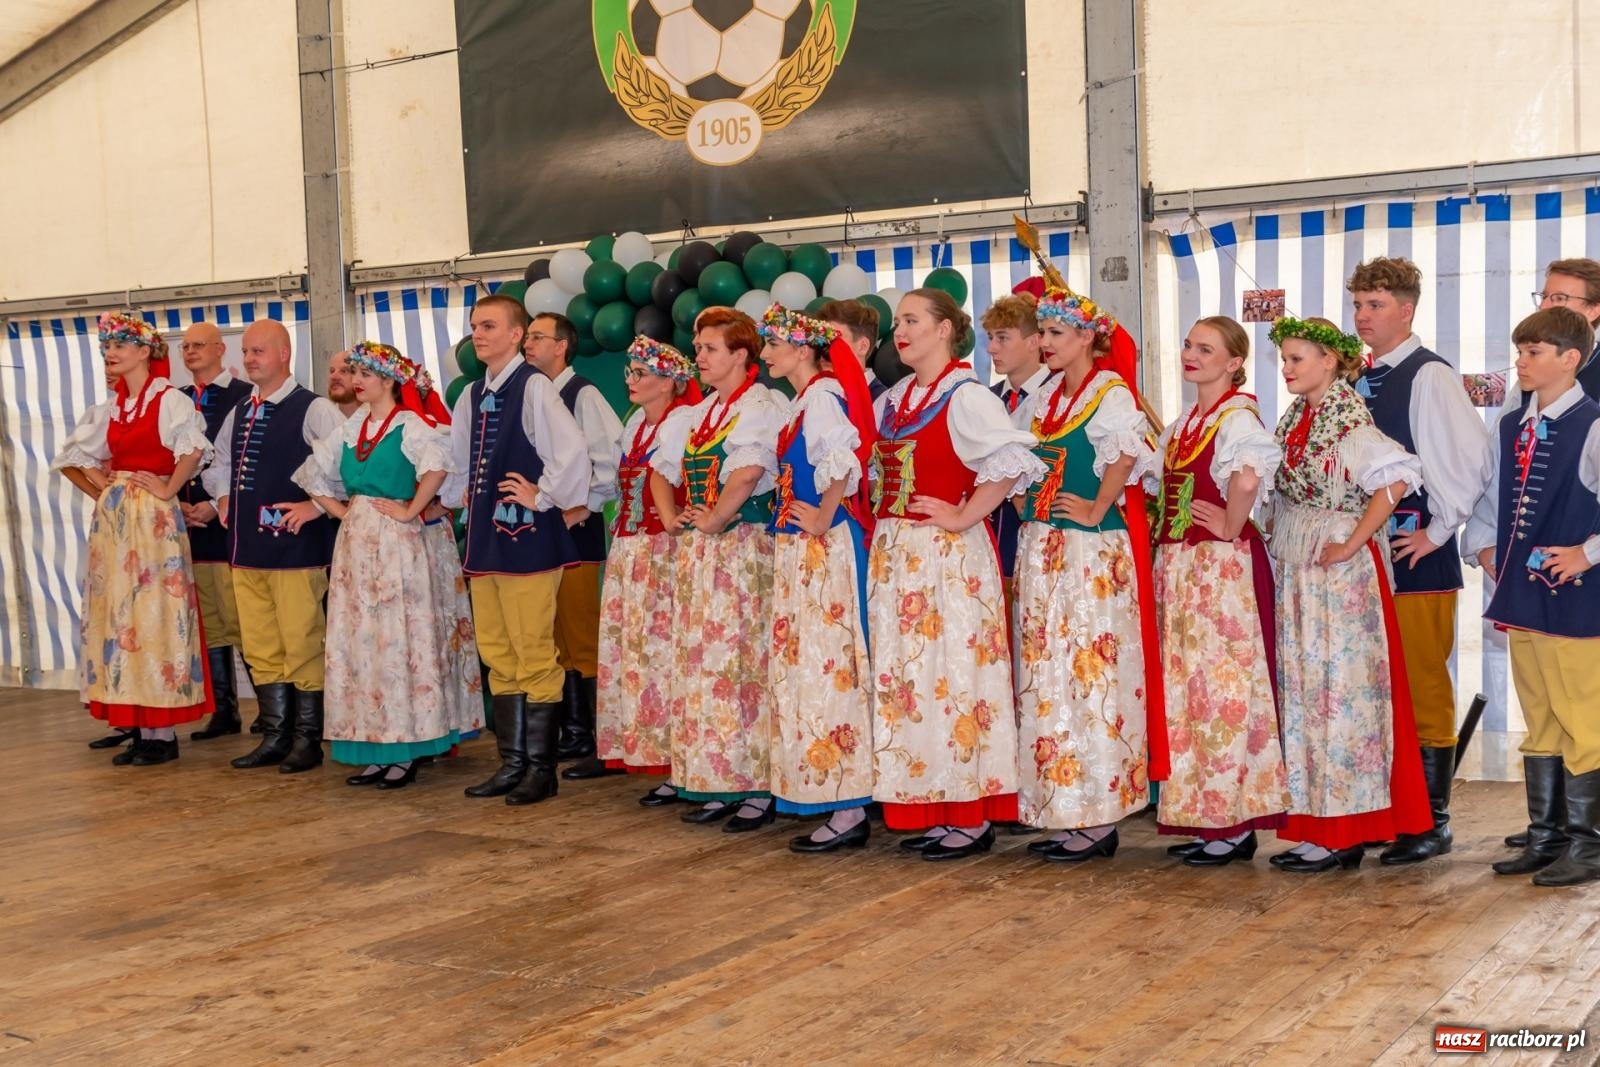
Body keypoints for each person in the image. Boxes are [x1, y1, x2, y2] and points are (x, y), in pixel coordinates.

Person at [871, 288, 1044, 861]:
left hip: (947, 559)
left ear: (945, 330)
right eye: (898, 322)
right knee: (914, 683)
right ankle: (930, 796)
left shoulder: (966, 396)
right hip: (902, 559)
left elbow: (1012, 462)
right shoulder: (895, 398)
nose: (902, 331)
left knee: (957, 677)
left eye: (913, 320)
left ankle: (969, 813)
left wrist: (967, 513)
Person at [1266, 315, 1432, 872]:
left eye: (1297, 359)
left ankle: (1344, 829)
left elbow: (1396, 479)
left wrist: (1353, 540)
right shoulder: (1298, 418)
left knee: (1340, 695)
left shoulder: (1346, 420)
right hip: (1304, 566)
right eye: (1284, 359)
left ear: (1331, 362)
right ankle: (1320, 825)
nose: (1287, 368)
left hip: (1337, 574)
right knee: (1309, 692)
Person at [1009, 286, 1159, 863]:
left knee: (1090, 672)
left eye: (1053, 334)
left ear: (1087, 339)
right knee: (1049, 674)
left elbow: (1129, 450)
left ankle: (1098, 813)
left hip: (1089, 553)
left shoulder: (1109, 391)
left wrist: (1098, 506)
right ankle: (1065, 803)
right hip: (1045, 545)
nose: (1043, 343)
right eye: (1042, 333)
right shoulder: (1047, 397)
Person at [1349, 257, 1490, 865]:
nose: (1363, 316)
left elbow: (1469, 461)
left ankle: (1431, 820)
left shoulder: (1430, 376)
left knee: (1422, 683)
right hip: (1366, 554)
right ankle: (1394, 808)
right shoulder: (1359, 377)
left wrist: (1436, 532)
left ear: (1406, 310)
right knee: (1376, 685)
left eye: (1375, 305)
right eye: (1358, 305)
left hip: (1413, 552)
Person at [296, 341, 479, 789]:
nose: (357, 381)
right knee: (361, 644)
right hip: (356, 545)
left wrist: (411, 508)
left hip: (397, 543)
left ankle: (406, 749)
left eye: (367, 374)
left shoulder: (409, 424)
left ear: (389, 381)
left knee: (398, 640)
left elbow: (439, 467)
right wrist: (344, 513)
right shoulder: (352, 427)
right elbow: (310, 475)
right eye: (355, 372)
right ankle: (374, 745)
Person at [1467, 307, 1600, 887]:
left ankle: (1590, 848)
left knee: (1584, 718)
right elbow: (1495, 495)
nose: (1521, 360)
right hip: (1525, 595)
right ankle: (1547, 838)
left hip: (1576, 599)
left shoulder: (1593, 424)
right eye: (1520, 350)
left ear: (1570, 360)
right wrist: (1489, 545)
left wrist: (1587, 553)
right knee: (1540, 716)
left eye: (1535, 351)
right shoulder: (1511, 424)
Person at [1151, 317, 1289, 865]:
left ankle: (1232, 823)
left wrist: (1231, 523)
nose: (1190, 354)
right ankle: (1209, 816)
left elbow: (1250, 476)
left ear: (1234, 362)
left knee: (1225, 690)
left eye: (1205, 349)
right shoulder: (1188, 420)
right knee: (1192, 693)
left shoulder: (1236, 416)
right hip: (1187, 567)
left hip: (1219, 569)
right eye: (1187, 344)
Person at [445, 294, 589, 806]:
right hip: (485, 541)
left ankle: (540, 769)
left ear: (515, 336)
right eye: (473, 326)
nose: (478, 334)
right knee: (498, 654)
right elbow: (458, 461)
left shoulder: (535, 389)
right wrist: (455, 499)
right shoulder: (470, 395)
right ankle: (512, 762)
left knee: (533, 653)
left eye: (489, 326)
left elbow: (572, 453)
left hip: (527, 540)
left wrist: (543, 495)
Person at [54, 312, 214, 765]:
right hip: (117, 522)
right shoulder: (111, 410)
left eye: (121, 344)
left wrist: (166, 488)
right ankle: (140, 726)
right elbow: (72, 458)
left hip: (153, 523)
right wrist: (104, 489)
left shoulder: (169, 401)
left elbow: (193, 449)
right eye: (107, 345)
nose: (111, 351)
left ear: (145, 351)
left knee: (155, 615)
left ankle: (161, 734)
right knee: (122, 618)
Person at [649, 307, 785, 831]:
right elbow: (660, 471)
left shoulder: (760, 406)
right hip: (703, 553)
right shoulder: (700, 412)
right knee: (706, 667)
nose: (699, 356)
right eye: (699, 347)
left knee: (743, 665)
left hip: (743, 549)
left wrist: (718, 517)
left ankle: (756, 786)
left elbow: (750, 470)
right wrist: (675, 519)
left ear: (741, 354)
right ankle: (720, 778)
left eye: (709, 348)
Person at [757, 304, 879, 853]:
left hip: (824, 549)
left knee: (831, 667)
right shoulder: (806, 399)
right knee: (812, 667)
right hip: (805, 547)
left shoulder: (824, 396)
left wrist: (828, 511)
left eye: (772, 345)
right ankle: (833, 794)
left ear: (801, 349)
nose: (765, 355)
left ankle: (848, 804)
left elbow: (846, 459)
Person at [203, 320, 342, 773]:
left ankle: (307, 740)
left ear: (284, 354)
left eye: (258, 351)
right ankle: (276, 734)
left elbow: (345, 463)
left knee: (301, 640)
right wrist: (223, 497)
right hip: (246, 550)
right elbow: (218, 459)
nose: (249, 359)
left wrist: (315, 508)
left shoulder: (314, 408)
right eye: (246, 351)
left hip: (296, 552)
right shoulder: (241, 409)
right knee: (261, 643)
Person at [572, 336, 700, 798]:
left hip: (663, 549)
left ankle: (676, 757)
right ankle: (649, 750)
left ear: (669, 382)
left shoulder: (683, 421)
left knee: (666, 653)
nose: (631, 380)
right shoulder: (634, 427)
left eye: (641, 373)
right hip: (630, 548)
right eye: (629, 372)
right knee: (637, 656)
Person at [523, 312, 624, 770]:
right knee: (555, 632)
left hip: (576, 531)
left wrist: (585, 505)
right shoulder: (529, 392)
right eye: (526, 336)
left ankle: (596, 736)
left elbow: (611, 457)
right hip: (540, 531)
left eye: (537, 337)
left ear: (562, 346)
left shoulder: (581, 393)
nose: (528, 343)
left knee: (582, 633)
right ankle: (572, 729)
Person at [178, 322, 254, 742]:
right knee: (210, 622)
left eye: (198, 345)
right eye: (185, 346)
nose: (189, 351)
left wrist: (213, 504)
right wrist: (179, 505)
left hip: (227, 524)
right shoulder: (178, 400)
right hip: (190, 527)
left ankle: (269, 710)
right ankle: (224, 709)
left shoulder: (243, 397)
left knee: (242, 617)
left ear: (220, 350)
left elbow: (243, 461)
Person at [982, 291, 1049, 611]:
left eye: (1003, 338)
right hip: (991, 539)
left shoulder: (1059, 395)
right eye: (990, 338)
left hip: (1042, 533)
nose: (992, 348)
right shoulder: (983, 398)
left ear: (1035, 341)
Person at [817, 299, 885, 401]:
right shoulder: (819, 392)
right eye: (820, 340)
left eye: (834, 339)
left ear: (863, 346)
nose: (824, 348)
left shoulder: (882, 402)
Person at [327, 348, 359, 418]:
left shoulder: (380, 421)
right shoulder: (322, 418)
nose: (334, 376)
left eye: (344, 371)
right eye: (332, 371)